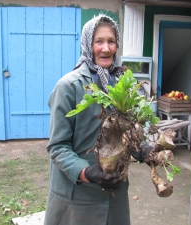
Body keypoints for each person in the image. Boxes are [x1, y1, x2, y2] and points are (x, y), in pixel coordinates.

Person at [44, 14, 131, 225]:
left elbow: (128, 132)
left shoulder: (122, 84)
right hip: (78, 199)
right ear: (87, 44)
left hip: (115, 195)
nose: (106, 48)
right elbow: (58, 147)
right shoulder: (69, 86)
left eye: (111, 41)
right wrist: (88, 172)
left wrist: (144, 148)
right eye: (98, 41)